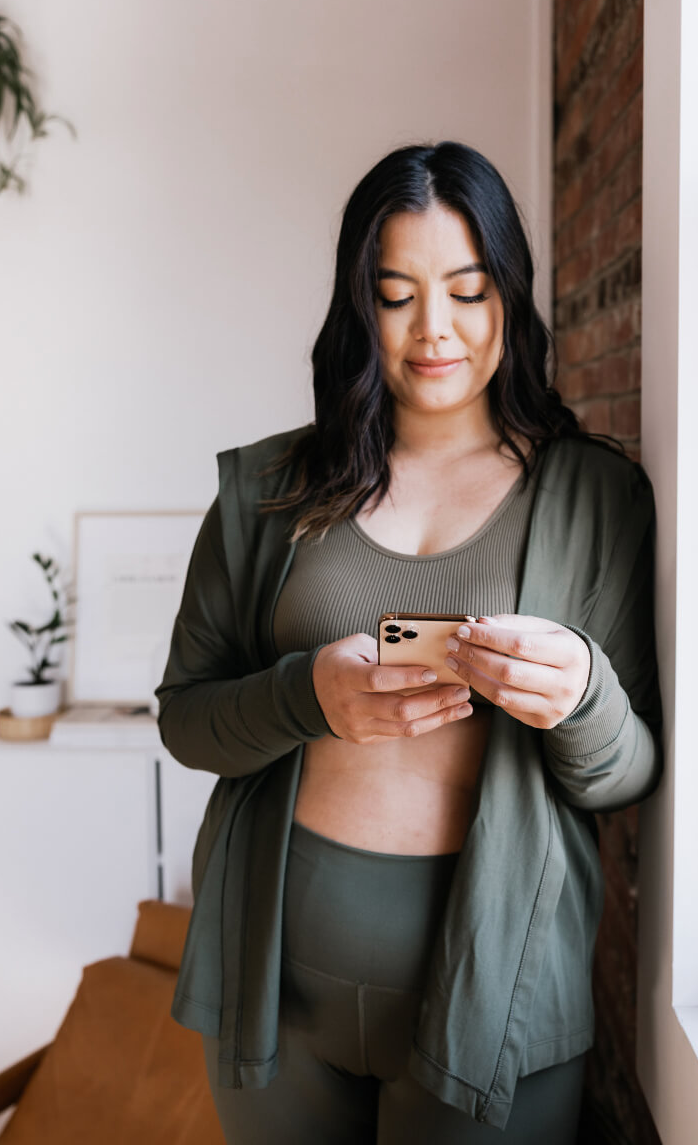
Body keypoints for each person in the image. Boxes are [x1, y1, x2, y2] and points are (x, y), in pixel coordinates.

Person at [155, 140, 663, 1144]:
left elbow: (629, 774)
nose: (434, 328)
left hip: (499, 993)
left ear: (510, 297)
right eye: (396, 295)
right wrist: (307, 695)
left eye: (468, 291)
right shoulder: (265, 494)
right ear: (361, 308)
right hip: (275, 978)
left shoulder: (596, 498)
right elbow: (186, 720)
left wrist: (582, 698)